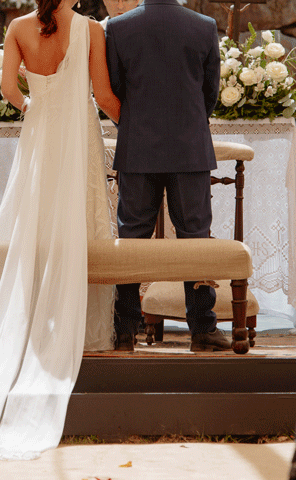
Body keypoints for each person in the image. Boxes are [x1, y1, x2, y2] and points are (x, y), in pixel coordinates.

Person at [0, 0, 120, 462]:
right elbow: (104, 95)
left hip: (39, 135)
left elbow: (9, 88)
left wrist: (33, 102)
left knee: (37, 217)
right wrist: (135, 127)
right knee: (81, 219)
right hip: (78, 136)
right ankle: (87, 330)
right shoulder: (90, 28)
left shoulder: (17, 28)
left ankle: (31, 320)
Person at [106, 0, 231, 352]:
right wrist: (188, 123)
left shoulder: (117, 28)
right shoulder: (204, 25)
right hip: (189, 147)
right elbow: (211, 93)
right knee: (195, 236)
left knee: (132, 238)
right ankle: (203, 329)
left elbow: (116, 88)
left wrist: (134, 126)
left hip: (138, 147)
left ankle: (125, 330)